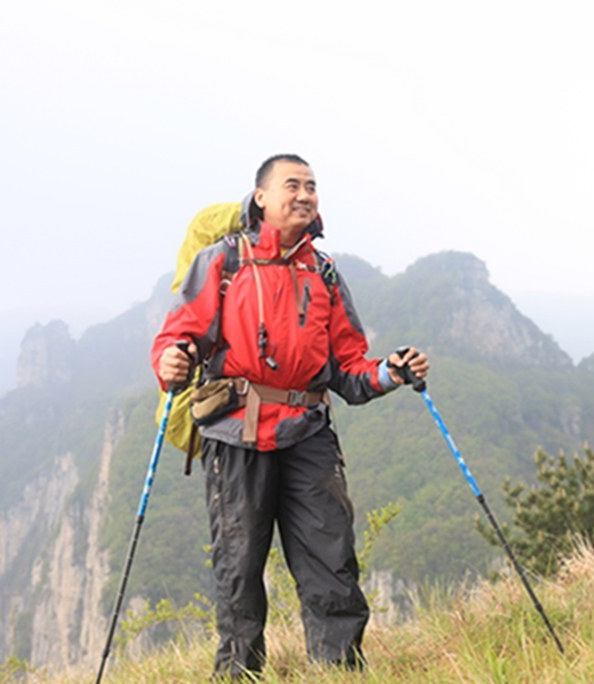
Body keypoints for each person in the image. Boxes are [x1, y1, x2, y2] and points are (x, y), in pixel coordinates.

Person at [151, 153, 428, 678]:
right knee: (239, 570)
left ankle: (340, 670)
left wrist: (391, 372)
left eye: (312, 186)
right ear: (261, 197)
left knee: (332, 562)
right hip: (235, 435)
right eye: (292, 185)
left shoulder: (322, 271)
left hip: (308, 435)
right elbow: (177, 337)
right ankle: (239, 674)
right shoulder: (221, 262)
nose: (304, 195)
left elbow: (349, 368)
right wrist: (169, 360)